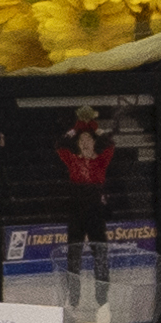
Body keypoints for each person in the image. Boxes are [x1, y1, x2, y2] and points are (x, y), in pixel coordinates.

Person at [53, 105, 118, 298]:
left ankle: (102, 295)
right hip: (76, 208)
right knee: (74, 254)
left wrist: (94, 127)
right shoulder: (72, 160)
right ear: (78, 144)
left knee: (100, 252)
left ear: (93, 142)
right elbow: (59, 144)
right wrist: (76, 128)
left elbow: (111, 143)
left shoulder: (101, 160)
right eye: (82, 139)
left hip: (96, 209)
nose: (85, 142)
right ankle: (73, 295)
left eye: (88, 139)